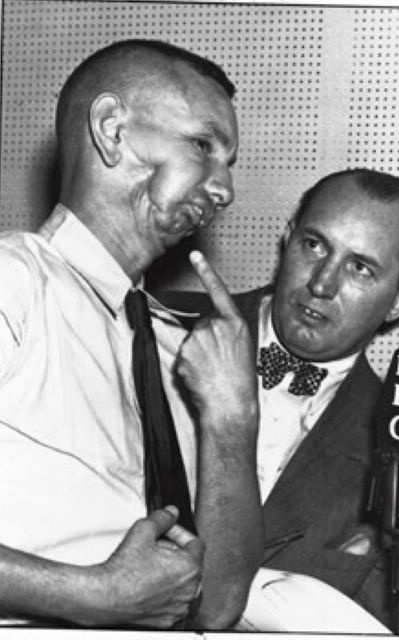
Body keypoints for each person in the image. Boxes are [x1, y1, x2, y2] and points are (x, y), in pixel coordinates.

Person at [0, 39, 263, 629]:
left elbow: (218, 606)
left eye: (229, 162)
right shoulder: (12, 285)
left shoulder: (180, 355)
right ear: (111, 130)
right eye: (203, 146)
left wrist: (232, 418)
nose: (225, 189)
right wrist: (88, 595)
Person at [156, 167, 399, 632]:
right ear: (286, 240)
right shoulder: (159, 327)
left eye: (360, 268)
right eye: (315, 245)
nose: (322, 283)